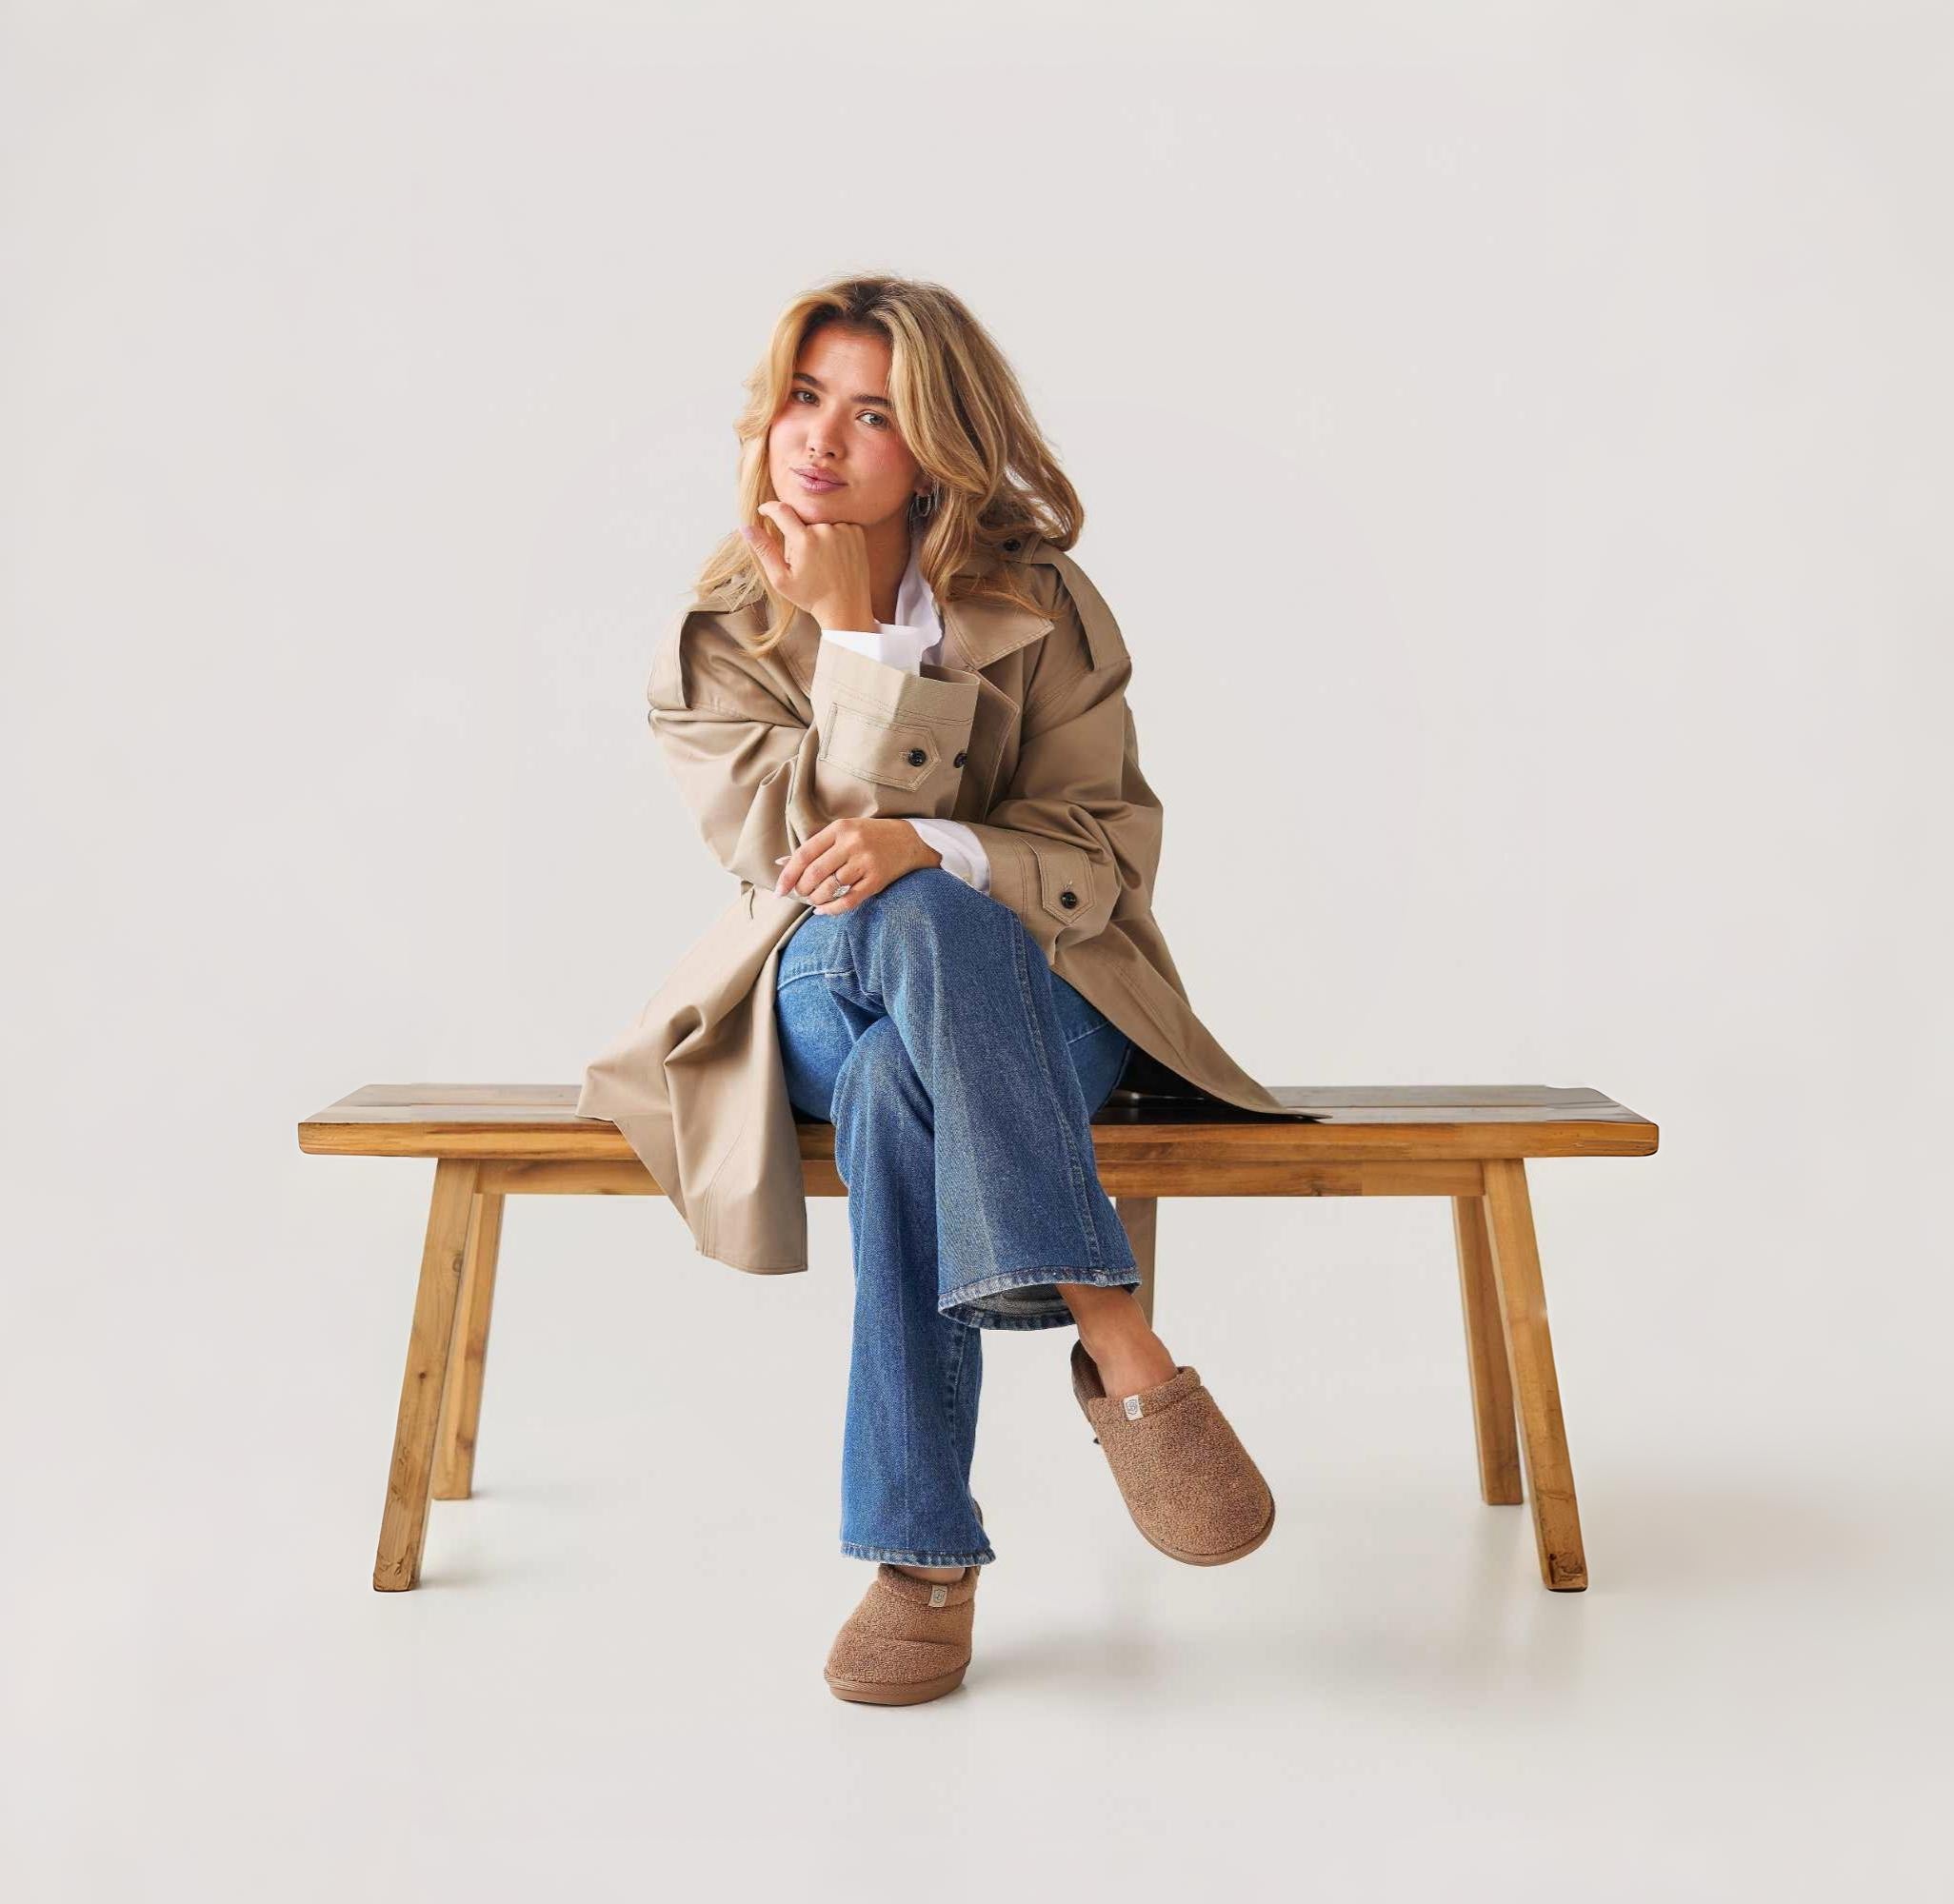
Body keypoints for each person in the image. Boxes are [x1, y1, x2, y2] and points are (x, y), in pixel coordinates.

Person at [577, 275, 1305, 1705]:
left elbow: (1105, 851)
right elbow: (799, 866)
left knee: (902, 1083)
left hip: (1047, 996)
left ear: (940, 444)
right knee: (898, 924)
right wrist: (852, 644)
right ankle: (1118, 1331)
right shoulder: (719, 631)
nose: (820, 442)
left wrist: (937, 841)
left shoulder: (1040, 607)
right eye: (803, 398)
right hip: (811, 989)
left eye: (872, 413)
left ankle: (921, 1564)